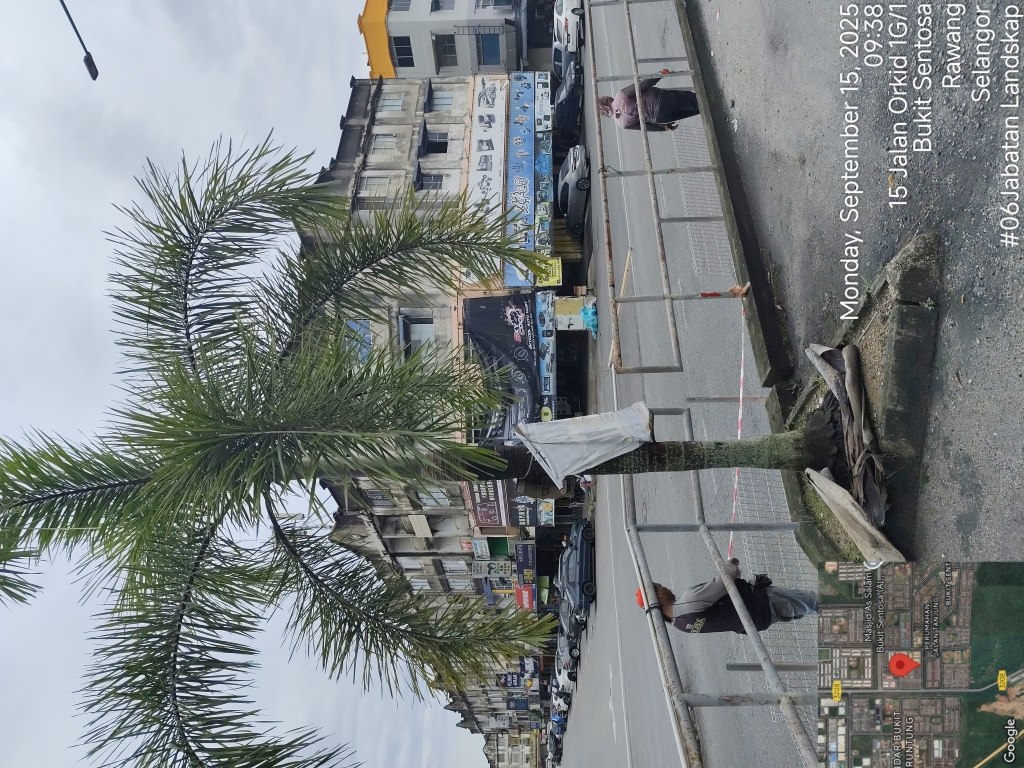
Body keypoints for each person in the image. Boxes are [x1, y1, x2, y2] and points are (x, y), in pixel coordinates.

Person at [651, 559, 818, 635]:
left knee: (806, 608)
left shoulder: (679, 624)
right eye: (660, 586)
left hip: (760, 619)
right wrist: (731, 564)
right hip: (761, 602)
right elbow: (726, 579)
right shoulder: (688, 601)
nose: (665, 587)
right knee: (813, 602)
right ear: (658, 595)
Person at [597, 71, 700, 132]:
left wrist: (663, 127)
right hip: (663, 100)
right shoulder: (620, 96)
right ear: (605, 100)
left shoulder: (621, 123)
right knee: (696, 100)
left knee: (698, 109)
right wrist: (660, 74)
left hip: (660, 117)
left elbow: (644, 126)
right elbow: (642, 86)